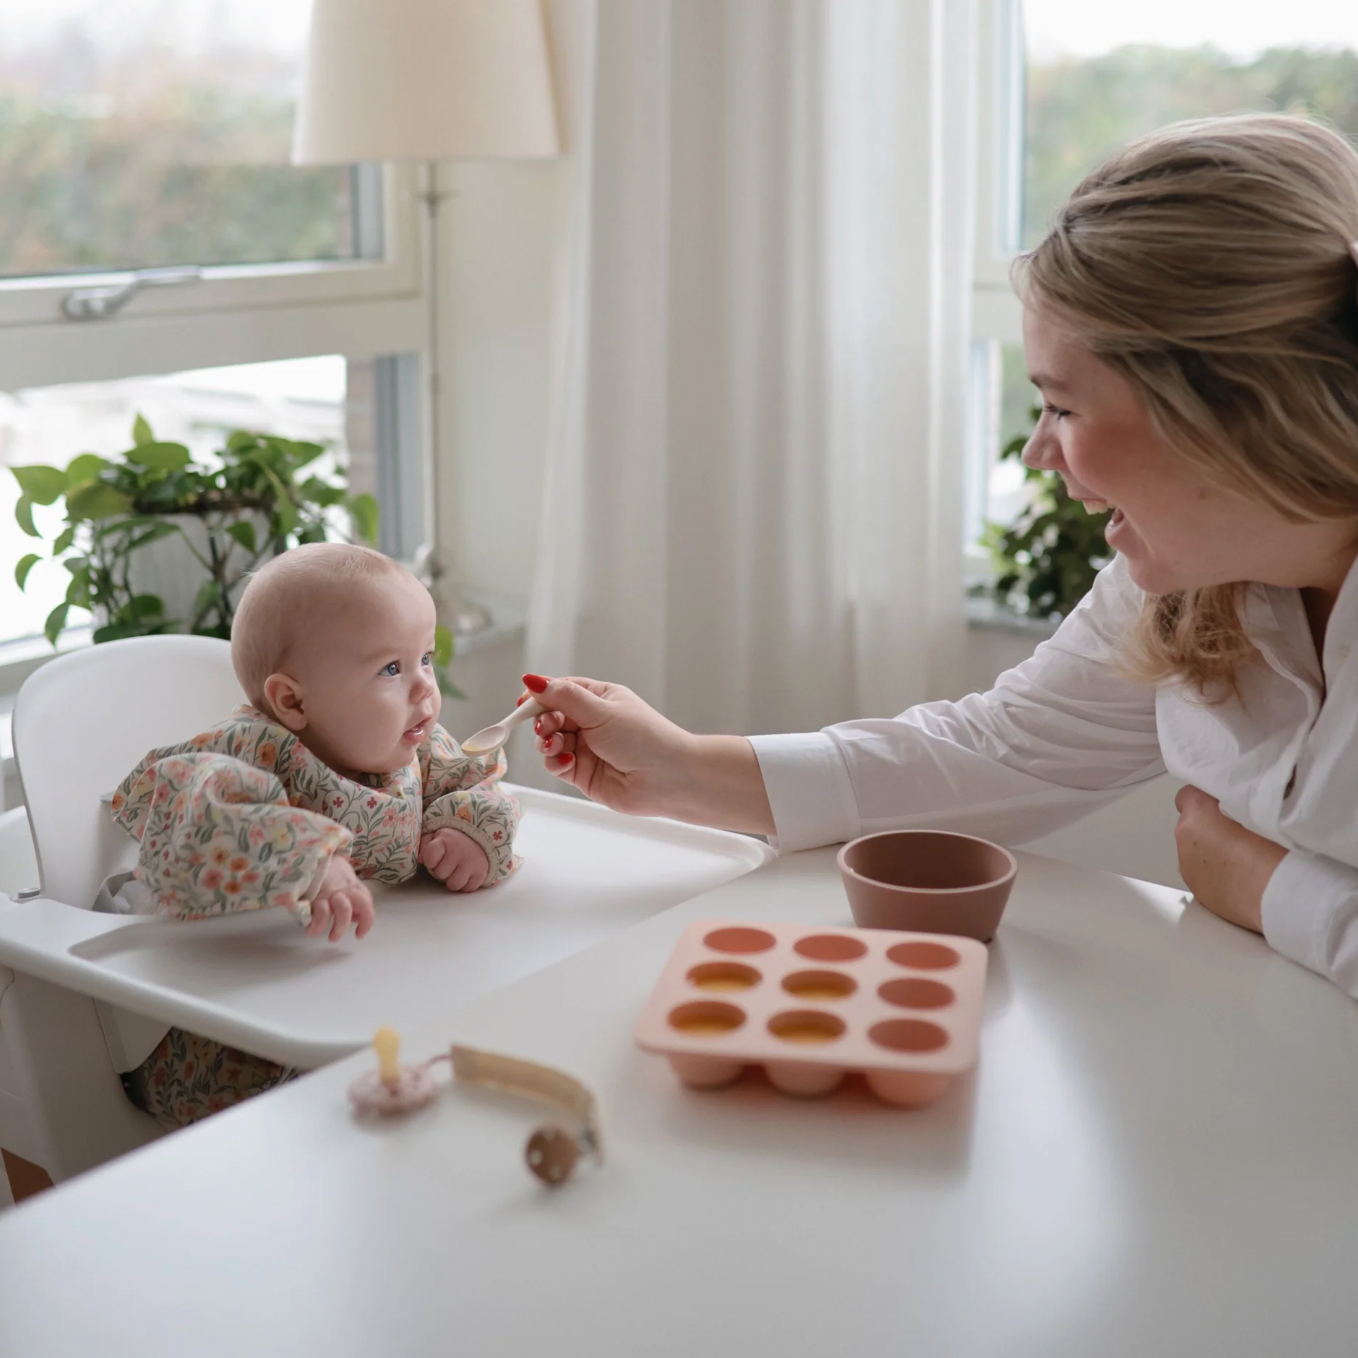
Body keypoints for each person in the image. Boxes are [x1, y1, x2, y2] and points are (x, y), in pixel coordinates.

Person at [523, 113, 1358, 1000]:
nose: (1040, 451)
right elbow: (1004, 751)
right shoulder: (1189, 588)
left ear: (1230, 413)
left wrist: (1273, 890)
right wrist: (685, 768)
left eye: (1065, 408)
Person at [108, 542, 521, 1125]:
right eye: (391, 669)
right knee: (315, 1121)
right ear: (292, 700)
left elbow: (478, 782)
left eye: (425, 658)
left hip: (371, 982)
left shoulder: (415, 745)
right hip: (237, 1028)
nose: (425, 688)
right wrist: (310, 859)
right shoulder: (250, 751)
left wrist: (471, 830)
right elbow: (198, 821)